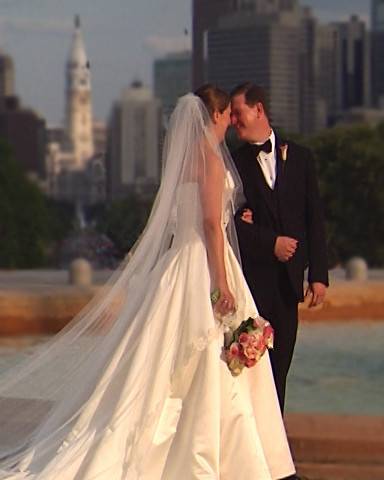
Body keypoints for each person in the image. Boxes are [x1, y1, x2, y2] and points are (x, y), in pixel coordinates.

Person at [0, 85, 295, 479]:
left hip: (181, 263)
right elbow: (209, 224)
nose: (231, 122)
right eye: (227, 115)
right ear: (217, 116)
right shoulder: (210, 159)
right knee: (207, 353)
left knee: (170, 356)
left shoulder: (187, 160)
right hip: (206, 261)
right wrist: (222, 282)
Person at [229, 82, 329, 413]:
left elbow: (314, 216)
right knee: (251, 368)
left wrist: (318, 275)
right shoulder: (234, 164)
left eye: (238, 113)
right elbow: (227, 225)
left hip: (289, 284)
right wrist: (269, 242)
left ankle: (276, 453)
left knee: (281, 365)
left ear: (258, 110)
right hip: (252, 283)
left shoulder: (301, 157)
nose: (233, 121)